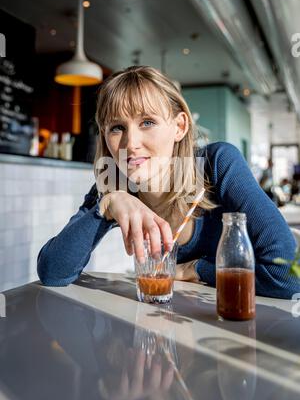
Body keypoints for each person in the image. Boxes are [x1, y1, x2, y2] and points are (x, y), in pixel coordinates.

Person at [37, 66, 299, 299]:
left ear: (179, 126)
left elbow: (288, 276)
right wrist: (106, 206)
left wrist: (198, 269)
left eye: (147, 122)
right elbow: (52, 272)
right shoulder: (114, 181)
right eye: (117, 128)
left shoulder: (217, 164)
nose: (131, 144)